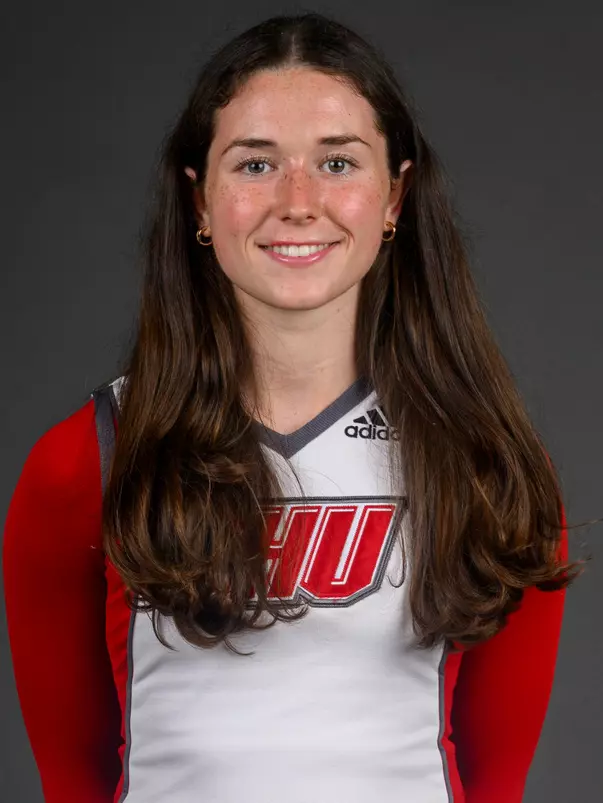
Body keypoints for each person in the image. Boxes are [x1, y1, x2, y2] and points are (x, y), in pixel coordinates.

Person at [3, 12, 582, 803]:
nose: (298, 200)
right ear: (200, 201)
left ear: (394, 197)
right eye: (254, 165)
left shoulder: (484, 464)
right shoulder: (87, 458)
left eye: (338, 161)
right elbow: (71, 781)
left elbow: (496, 781)